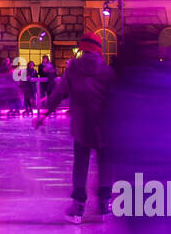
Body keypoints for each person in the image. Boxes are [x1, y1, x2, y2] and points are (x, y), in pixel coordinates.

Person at [35, 34, 114, 223]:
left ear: (83, 48)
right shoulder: (107, 71)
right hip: (104, 126)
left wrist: (43, 115)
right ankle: (104, 204)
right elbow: (117, 99)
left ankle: (78, 206)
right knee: (105, 164)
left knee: (81, 164)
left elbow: (59, 93)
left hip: (82, 125)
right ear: (98, 49)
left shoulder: (73, 69)